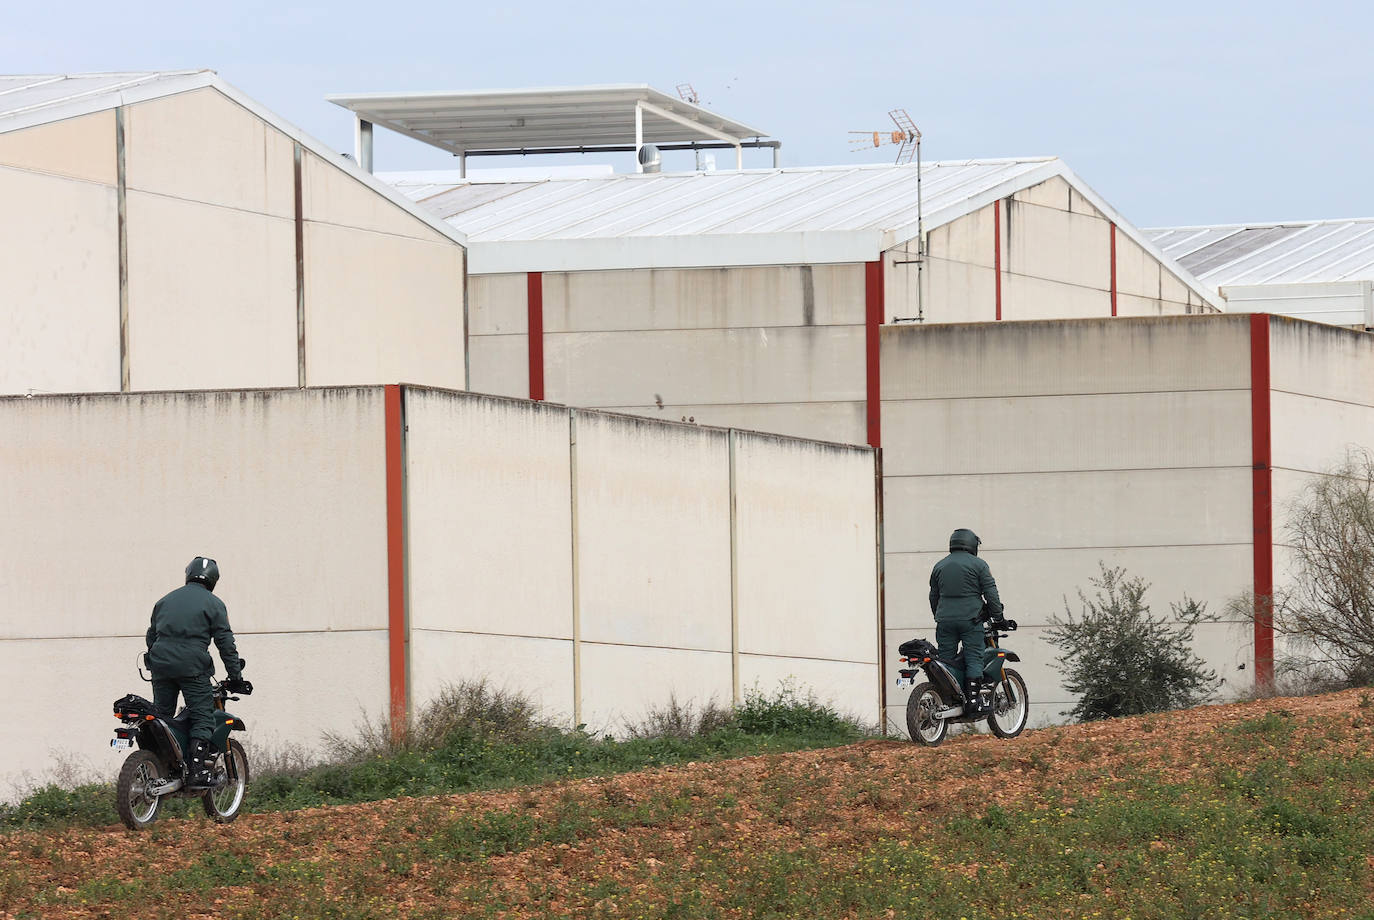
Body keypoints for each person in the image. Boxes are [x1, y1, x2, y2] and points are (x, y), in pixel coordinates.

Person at [145, 557, 247, 787]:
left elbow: (151, 636)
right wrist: (235, 676)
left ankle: (163, 767)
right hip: (192, 667)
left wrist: (154, 662)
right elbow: (225, 643)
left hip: (161, 666)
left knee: (163, 717)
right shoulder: (214, 604)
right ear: (213, 580)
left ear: (188, 574)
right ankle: (197, 772)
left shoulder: (164, 601)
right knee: (203, 716)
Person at [928, 528, 1003, 714]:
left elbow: (933, 596)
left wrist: (940, 615)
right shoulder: (979, 565)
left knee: (946, 661)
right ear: (972, 545)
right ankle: (972, 701)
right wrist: (998, 617)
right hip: (970, 620)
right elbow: (991, 594)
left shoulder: (939, 565)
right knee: (974, 657)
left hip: (944, 621)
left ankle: (947, 699)